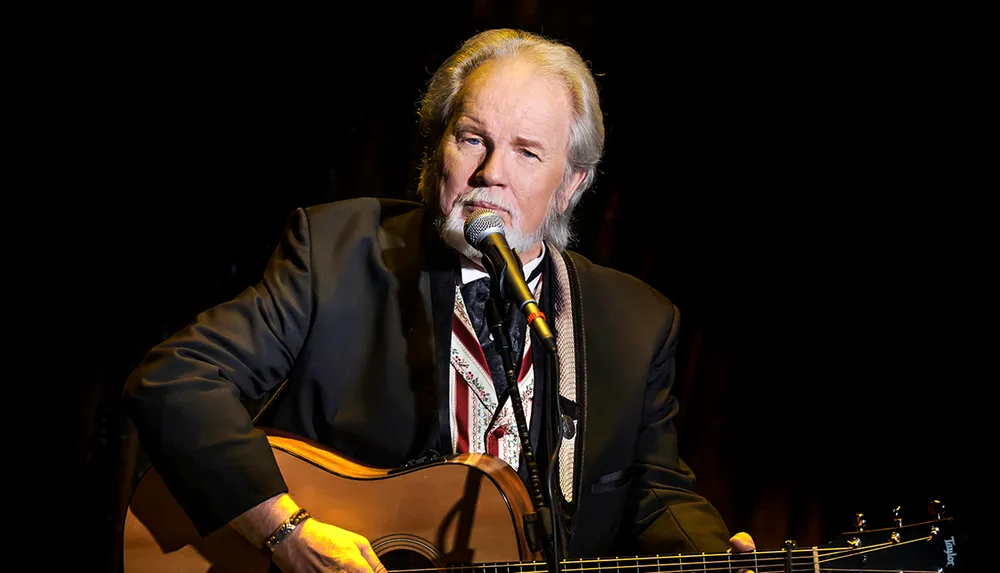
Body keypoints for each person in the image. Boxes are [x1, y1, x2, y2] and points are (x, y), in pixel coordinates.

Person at [123, 28, 756, 572]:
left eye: (527, 152)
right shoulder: (340, 252)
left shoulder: (636, 323)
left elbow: (656, 494)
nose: (491, 174)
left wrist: (712, 552)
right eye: (472, 137)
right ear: (436, 149)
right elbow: (176, 381)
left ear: (570, 186)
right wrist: (285, 532)